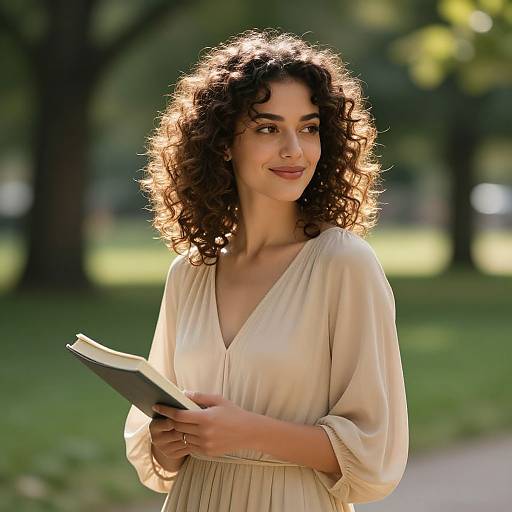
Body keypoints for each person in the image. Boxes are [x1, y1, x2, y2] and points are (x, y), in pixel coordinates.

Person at [124, 28, 408, 512]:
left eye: (310, 127)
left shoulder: (344, 265)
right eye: (268, 128)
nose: (295, 149)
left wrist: (249, 432)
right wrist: (167, 445)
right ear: (222, 143)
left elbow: (375, 451)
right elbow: (153, 449)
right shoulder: (189, 274)